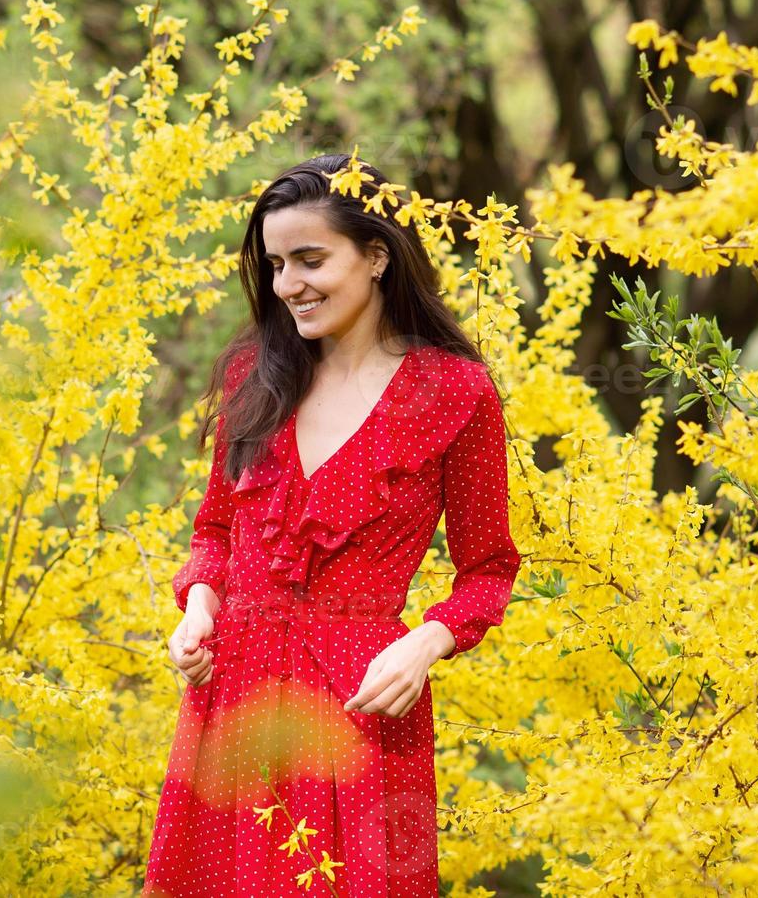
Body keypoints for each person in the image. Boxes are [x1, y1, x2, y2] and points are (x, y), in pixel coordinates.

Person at [142, 154, 522, 897]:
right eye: (276, 264)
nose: (288, 285)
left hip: (358, 703)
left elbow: (488, 571)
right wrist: (197, 610)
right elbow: (215, 533)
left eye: (309, 259)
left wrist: (424, 643)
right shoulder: (254, 375)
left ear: (375, 255)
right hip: (232, 698)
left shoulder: (454, 393)